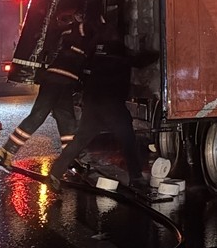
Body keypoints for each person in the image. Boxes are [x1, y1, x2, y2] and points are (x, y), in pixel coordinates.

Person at [47, 22, 157, 192]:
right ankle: (136, 178)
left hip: (92, 104)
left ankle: (55, 172)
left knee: (80, 140)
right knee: (128, 138)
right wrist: (157, 52)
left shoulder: (95, 52)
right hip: (111, 104)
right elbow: (139, 61)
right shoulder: (118, 51)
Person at [0, 11, 85, 168]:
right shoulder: (74, 32)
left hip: (64, 82)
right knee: (38, 115)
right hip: (56, 80)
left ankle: (70, 157)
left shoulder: (67, 32)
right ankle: (7, 151)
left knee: (67, 119)